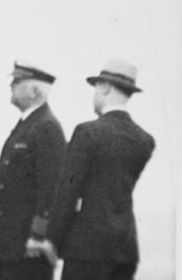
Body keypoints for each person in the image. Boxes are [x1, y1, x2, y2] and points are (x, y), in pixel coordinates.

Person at [41, 59, 156, 280]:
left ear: (105, 87)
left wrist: (51, 238)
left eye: (96, 88)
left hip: (87, 250)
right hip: (125, 249)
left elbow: (68, 191)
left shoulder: (87, 133)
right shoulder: (144, 140)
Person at [0, 61, 67, 280]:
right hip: (13, 244)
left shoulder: (47, 127)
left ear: (34, 91)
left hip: (28, 245)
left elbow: (51, 187)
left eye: (17, 81)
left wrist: (38, 234)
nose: (11, 86)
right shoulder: (28, 125)